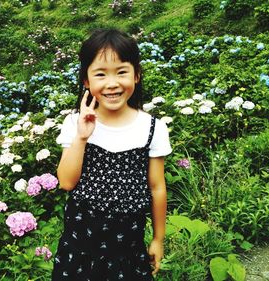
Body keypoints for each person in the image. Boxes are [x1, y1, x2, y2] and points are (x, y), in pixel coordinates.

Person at [52, 28, 172, 281]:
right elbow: (66, 182)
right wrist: (82, 136)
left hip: (128, 249)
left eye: (121, 72)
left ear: (136, 75)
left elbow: (157, 187)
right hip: (79, 248)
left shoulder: (153, 128)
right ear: (86, 80)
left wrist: (158, 239)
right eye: (100, 74)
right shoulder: (75, 123)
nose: (112, 83)